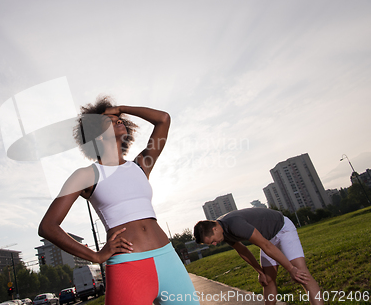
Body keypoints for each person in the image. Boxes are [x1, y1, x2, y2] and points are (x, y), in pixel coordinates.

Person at [38, 96, 199, 305]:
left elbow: (163, 119)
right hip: (127, 266)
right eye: (110, 121)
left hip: (168, 258)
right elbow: (48, 226)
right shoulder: (86, 175)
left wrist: (121, 109)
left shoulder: (141, 165)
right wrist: (95, 256)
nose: (119, 120)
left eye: (119, 119)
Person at [194, 208, 322, 305]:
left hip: (282, 229)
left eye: (212, 241)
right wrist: (260, 272)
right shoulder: (223, 232)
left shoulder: (234, 225)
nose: (215, 244)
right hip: (268, 239)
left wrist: (291, 269)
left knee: (301, 274)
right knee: (268, 280)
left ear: (215, 229)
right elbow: (242, 251)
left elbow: (265, 246)